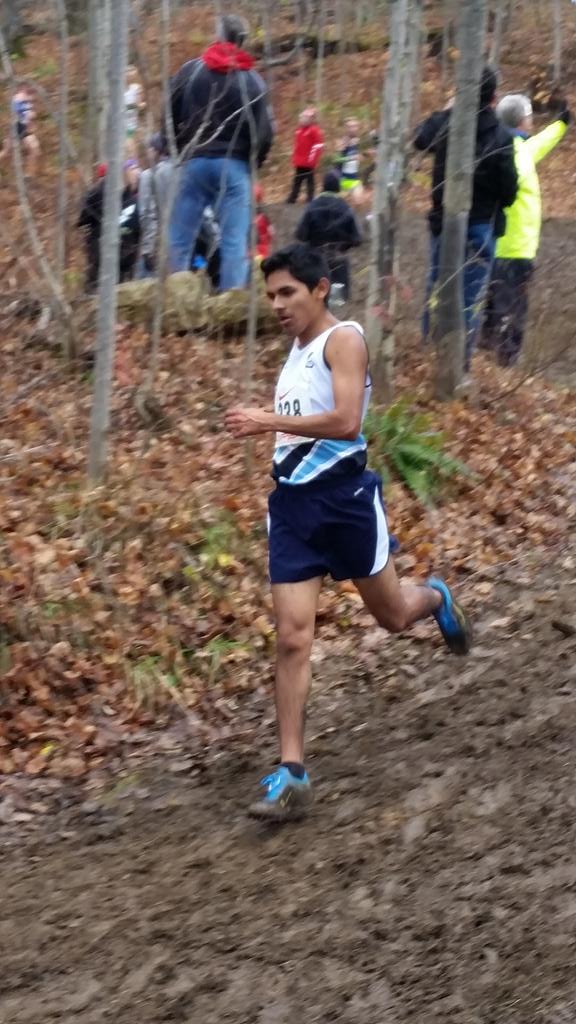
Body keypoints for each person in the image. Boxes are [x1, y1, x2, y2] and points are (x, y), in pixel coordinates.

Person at [224, 244, 472, 822]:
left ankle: (435, 596)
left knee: (391, 616)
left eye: (287, 292)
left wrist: (266, 420)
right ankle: (291, 774)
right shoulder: (294, 353)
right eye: (270, 296)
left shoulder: (345, 339)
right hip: (291, 510)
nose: (277, 305)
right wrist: (273, 431)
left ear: (320, 288)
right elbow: (304, 428)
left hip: (345, 504)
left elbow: (345, 422)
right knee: (291, 636)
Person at [414, 66, 518, 372]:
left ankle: (427, 356)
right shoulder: (500, 135)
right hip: (481, 224)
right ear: (494, 98)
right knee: (468, 299)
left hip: (444, 222)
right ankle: (458, 366)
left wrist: (447, 109)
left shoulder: (448, 123)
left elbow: (420, 138)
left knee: (436, 289)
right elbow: (510, 191)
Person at [168, 14, 274, 291]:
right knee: (234, 240)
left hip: (195, 162)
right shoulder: (253, 81)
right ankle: (232, 304)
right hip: (235, 165)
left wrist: (180, 151)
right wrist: (254, 164)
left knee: (180, 236)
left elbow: (168, 114)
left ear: (218, 35)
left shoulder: (189, 72)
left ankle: (174, 298)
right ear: (243, 41)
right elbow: (265, 133)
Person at [482, 94, 570, 366]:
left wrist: (562, 123)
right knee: (511, 308)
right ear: (522, 120)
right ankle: (505, 362)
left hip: (508, 246)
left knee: (495, 303)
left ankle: (484, 355)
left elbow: (539, 144)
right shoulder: (511, 152)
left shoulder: (517, 147)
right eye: (530, 116)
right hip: (513, 247)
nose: (532, 121)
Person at [295, 170, 362, 301]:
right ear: (338, 187)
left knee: (316, 298)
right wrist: (344, 245)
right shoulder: (346, 208)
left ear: (323, 186)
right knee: (339, 302)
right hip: (339, 259)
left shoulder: (312, 206)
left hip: (315, 259)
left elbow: (301, 235)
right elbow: (357, 239)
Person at [137, 133, 176, 278]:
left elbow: (148, 214)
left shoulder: (149, 176)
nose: (147, 153)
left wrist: (147, 249)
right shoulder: (184, 169)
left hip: (159, 243)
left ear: (155, 151)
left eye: (149, 149)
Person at [77, 163, 108, 292]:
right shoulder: (101, 192)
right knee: (97, 264)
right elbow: (84, 216)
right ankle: (92, 291)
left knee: (95, 264)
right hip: (98, 233)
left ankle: (91, 290)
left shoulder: (92, 193)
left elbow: (82, 218)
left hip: (96, 233)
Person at [286, 107, 324, 204]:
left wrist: (312, 160)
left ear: (311, 119)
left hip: (308, 162)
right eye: (302, 117)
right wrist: (294, 158)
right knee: (297, 181)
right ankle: (292, 198)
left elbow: (318, 146)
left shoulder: (314, 130)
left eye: (305, 118)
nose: (302, 119)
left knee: (309, 181)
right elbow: (297, 146)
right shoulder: (299, 130)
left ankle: (310, 199)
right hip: (299, 161)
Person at [9, 85, 40, 179]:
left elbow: (29, 115)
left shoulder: (28, 101)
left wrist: (32, 122)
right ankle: (28, 174)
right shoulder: (19, 98)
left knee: (35, 150)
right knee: (7, 151)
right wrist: (28, 115)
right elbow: (18, 111)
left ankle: (29, 175)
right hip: (18, 127)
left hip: (26, 128)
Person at [335, 118, 363, 197]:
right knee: (340, 204)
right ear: (345, 128)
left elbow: (359, 157)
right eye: (350, 127)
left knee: (359, 201)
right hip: (342, 179)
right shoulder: (342, 142)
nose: (352, 129)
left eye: (354, 126)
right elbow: (336, 160)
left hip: (354, 177)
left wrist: (363, 156)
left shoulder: (357, 141)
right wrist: (352, 158)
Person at [124, 65, 145, 157]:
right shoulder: (119, 90)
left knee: (132, 147)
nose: (131, 78)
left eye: (133, 76)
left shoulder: (136, 88)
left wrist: (141, 105)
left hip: (132, 122)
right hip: (122, 123)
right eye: (129, 75)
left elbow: (139, 104)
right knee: (128, 146)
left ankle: (133, 164)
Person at [254, 183, 274, 261]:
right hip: (263, 252)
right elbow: (271, 233)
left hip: (247, 254)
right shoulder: (264, 217)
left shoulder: (241, 218)